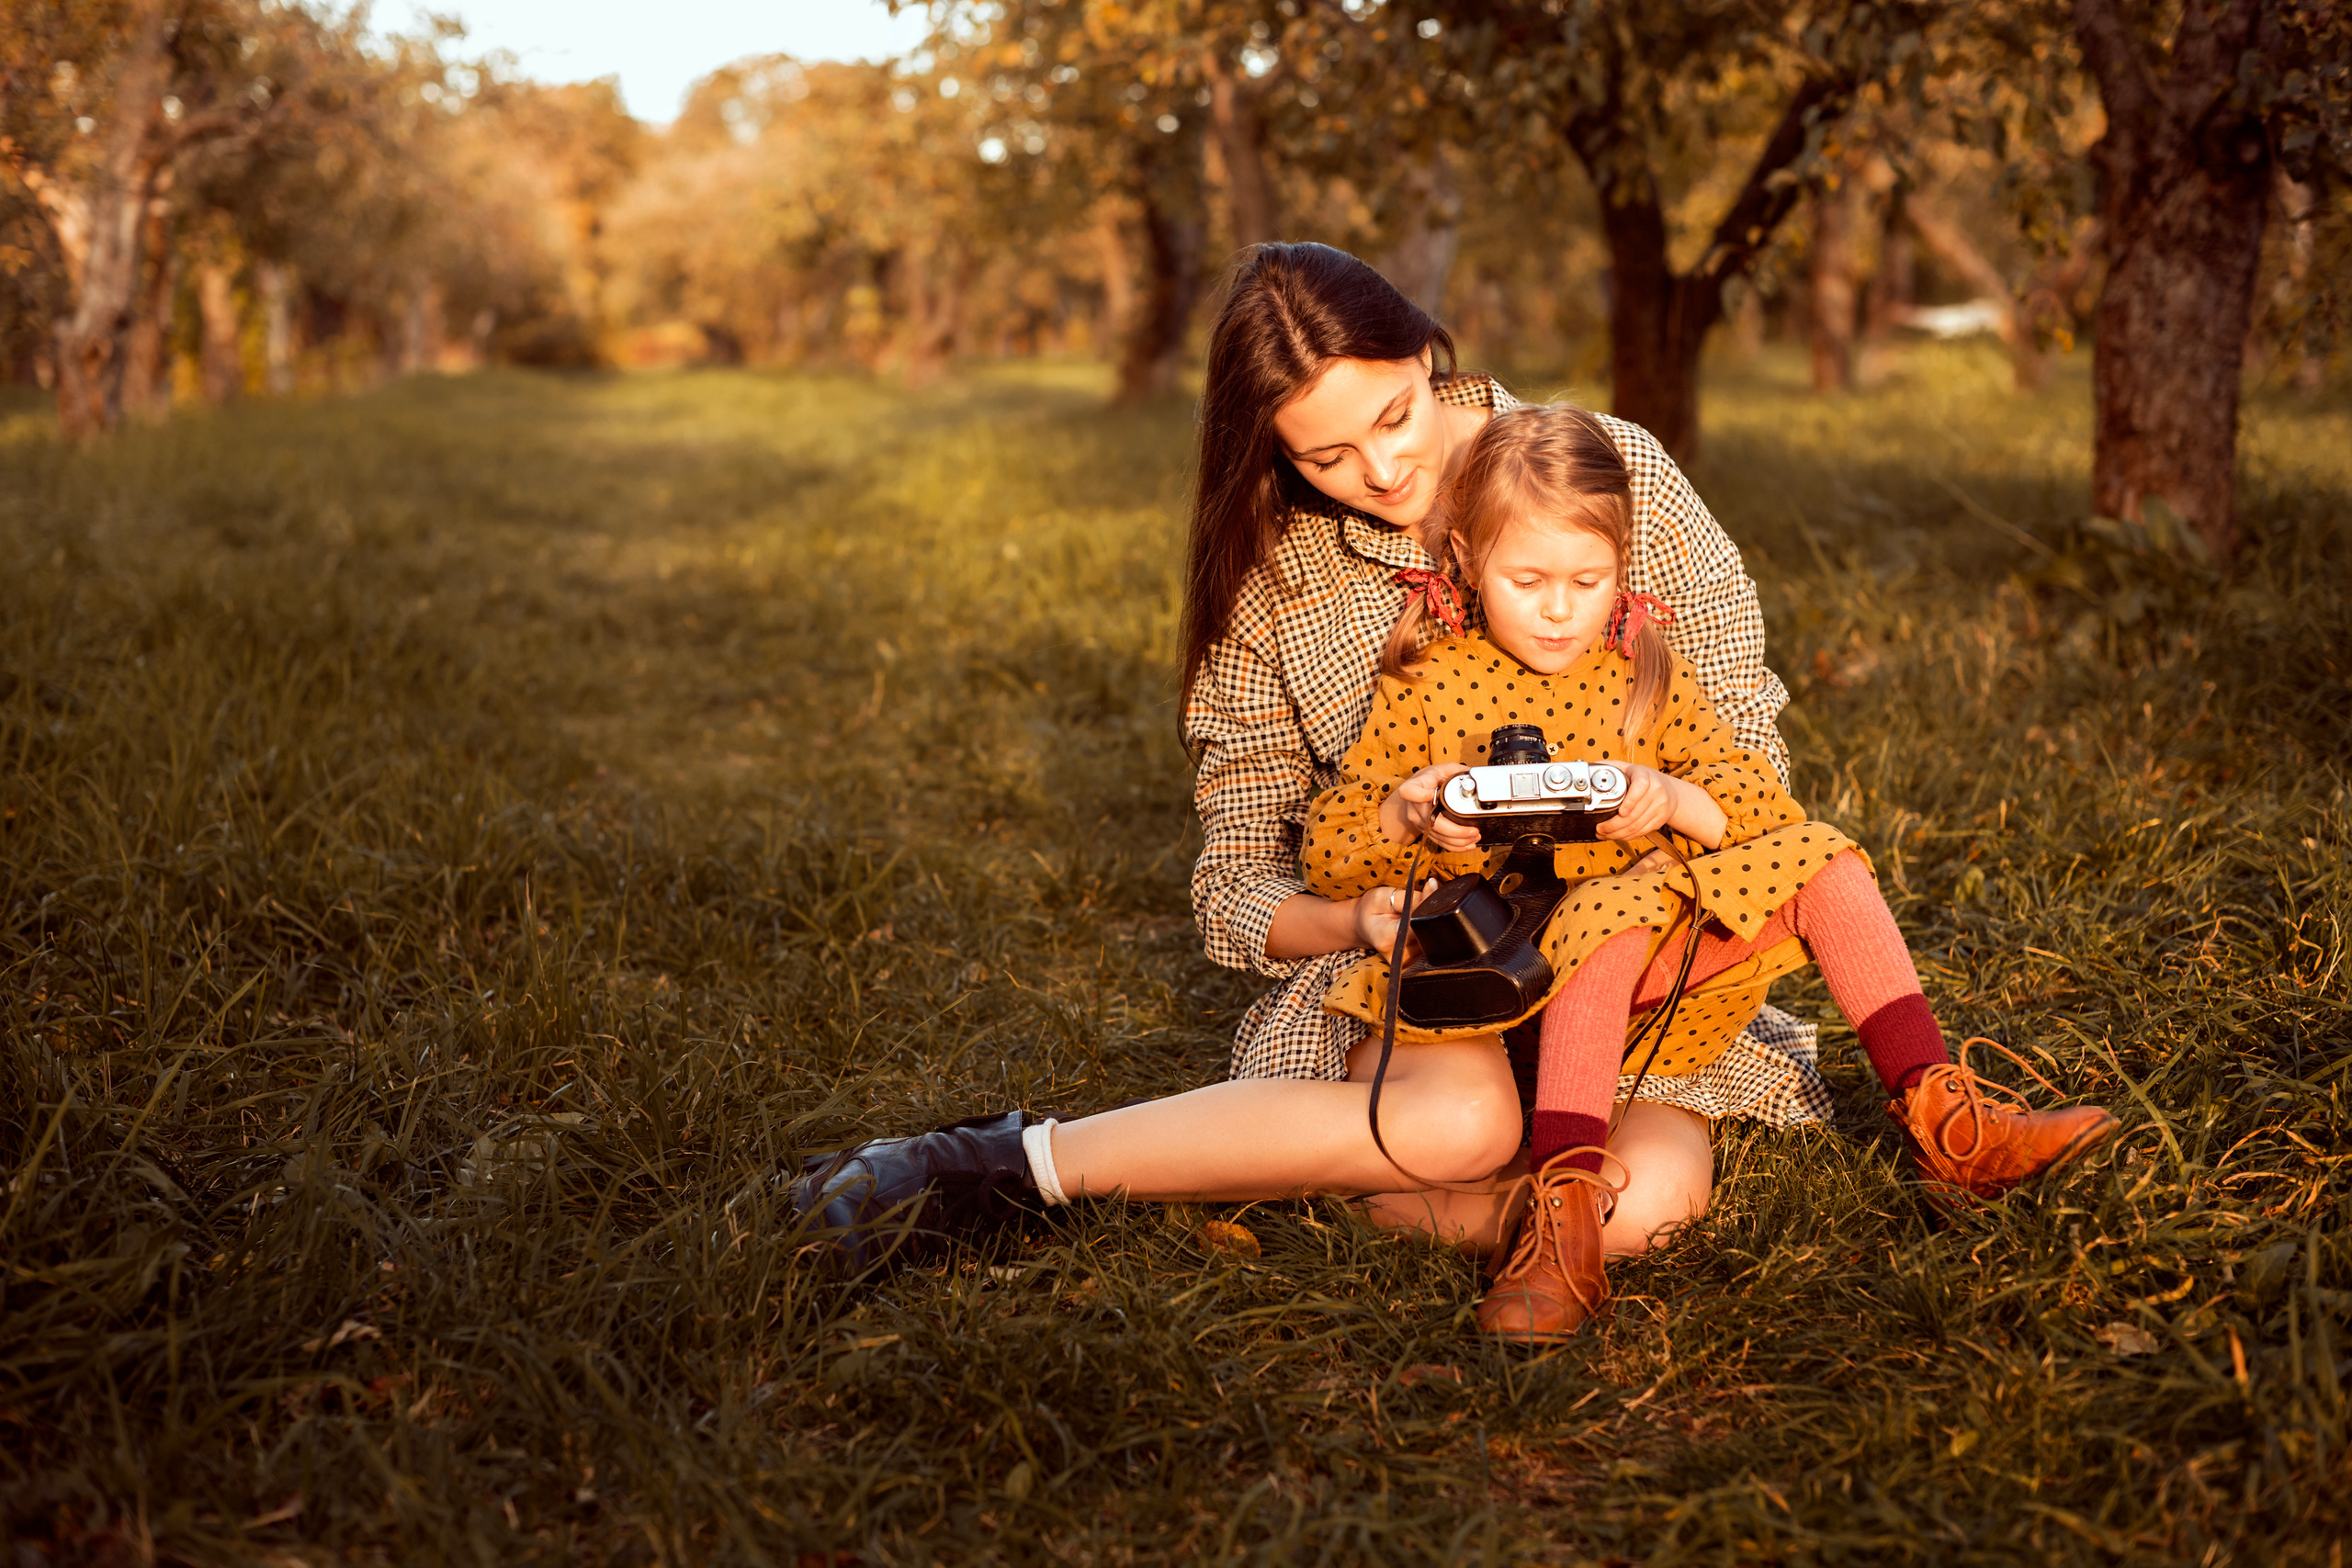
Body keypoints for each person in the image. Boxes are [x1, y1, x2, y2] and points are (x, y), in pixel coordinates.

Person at [792, 243, 2098, 1280]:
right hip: (1432, 979)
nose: (1384, 468)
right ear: (1276, 456)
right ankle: (1015, 1164)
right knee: (1463, 1130)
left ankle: (1406, 1188)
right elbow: (1234, 880)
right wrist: (1366, 906)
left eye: (1397, 413)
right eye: (1326, 453)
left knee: (1647, 1213)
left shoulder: (1606, 467)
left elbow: (1745, 747)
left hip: (1638, 951)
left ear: (1428, 351)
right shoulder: (1278, 576)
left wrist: (1650, 837)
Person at [1302, 401, 2120, 1340]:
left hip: (1643, 988)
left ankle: (1942, 1116)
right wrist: (1413, 811)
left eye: (1589, 579)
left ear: (1622, 568)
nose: (1561, 609)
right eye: (1527, 580)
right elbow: (1327, 849)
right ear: (1470, 565)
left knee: (1826, 856)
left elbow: (1757, 799)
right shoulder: (1430, 683)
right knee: (1611, 910)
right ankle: (1561, 1224)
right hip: (1500, 982)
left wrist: (1672, 799)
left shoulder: (1643, 671)